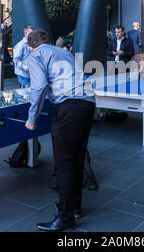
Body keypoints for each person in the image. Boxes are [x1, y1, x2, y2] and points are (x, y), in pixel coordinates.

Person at [24, 29, 96, 232]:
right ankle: (74, 208)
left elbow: (38, 87)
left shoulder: (35, 55)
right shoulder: (64, 52)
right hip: (88, 103)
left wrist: (32, 119)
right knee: (78, 158)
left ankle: (65, 218)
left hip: (69, 106)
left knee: (64, 163)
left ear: (31, 46)